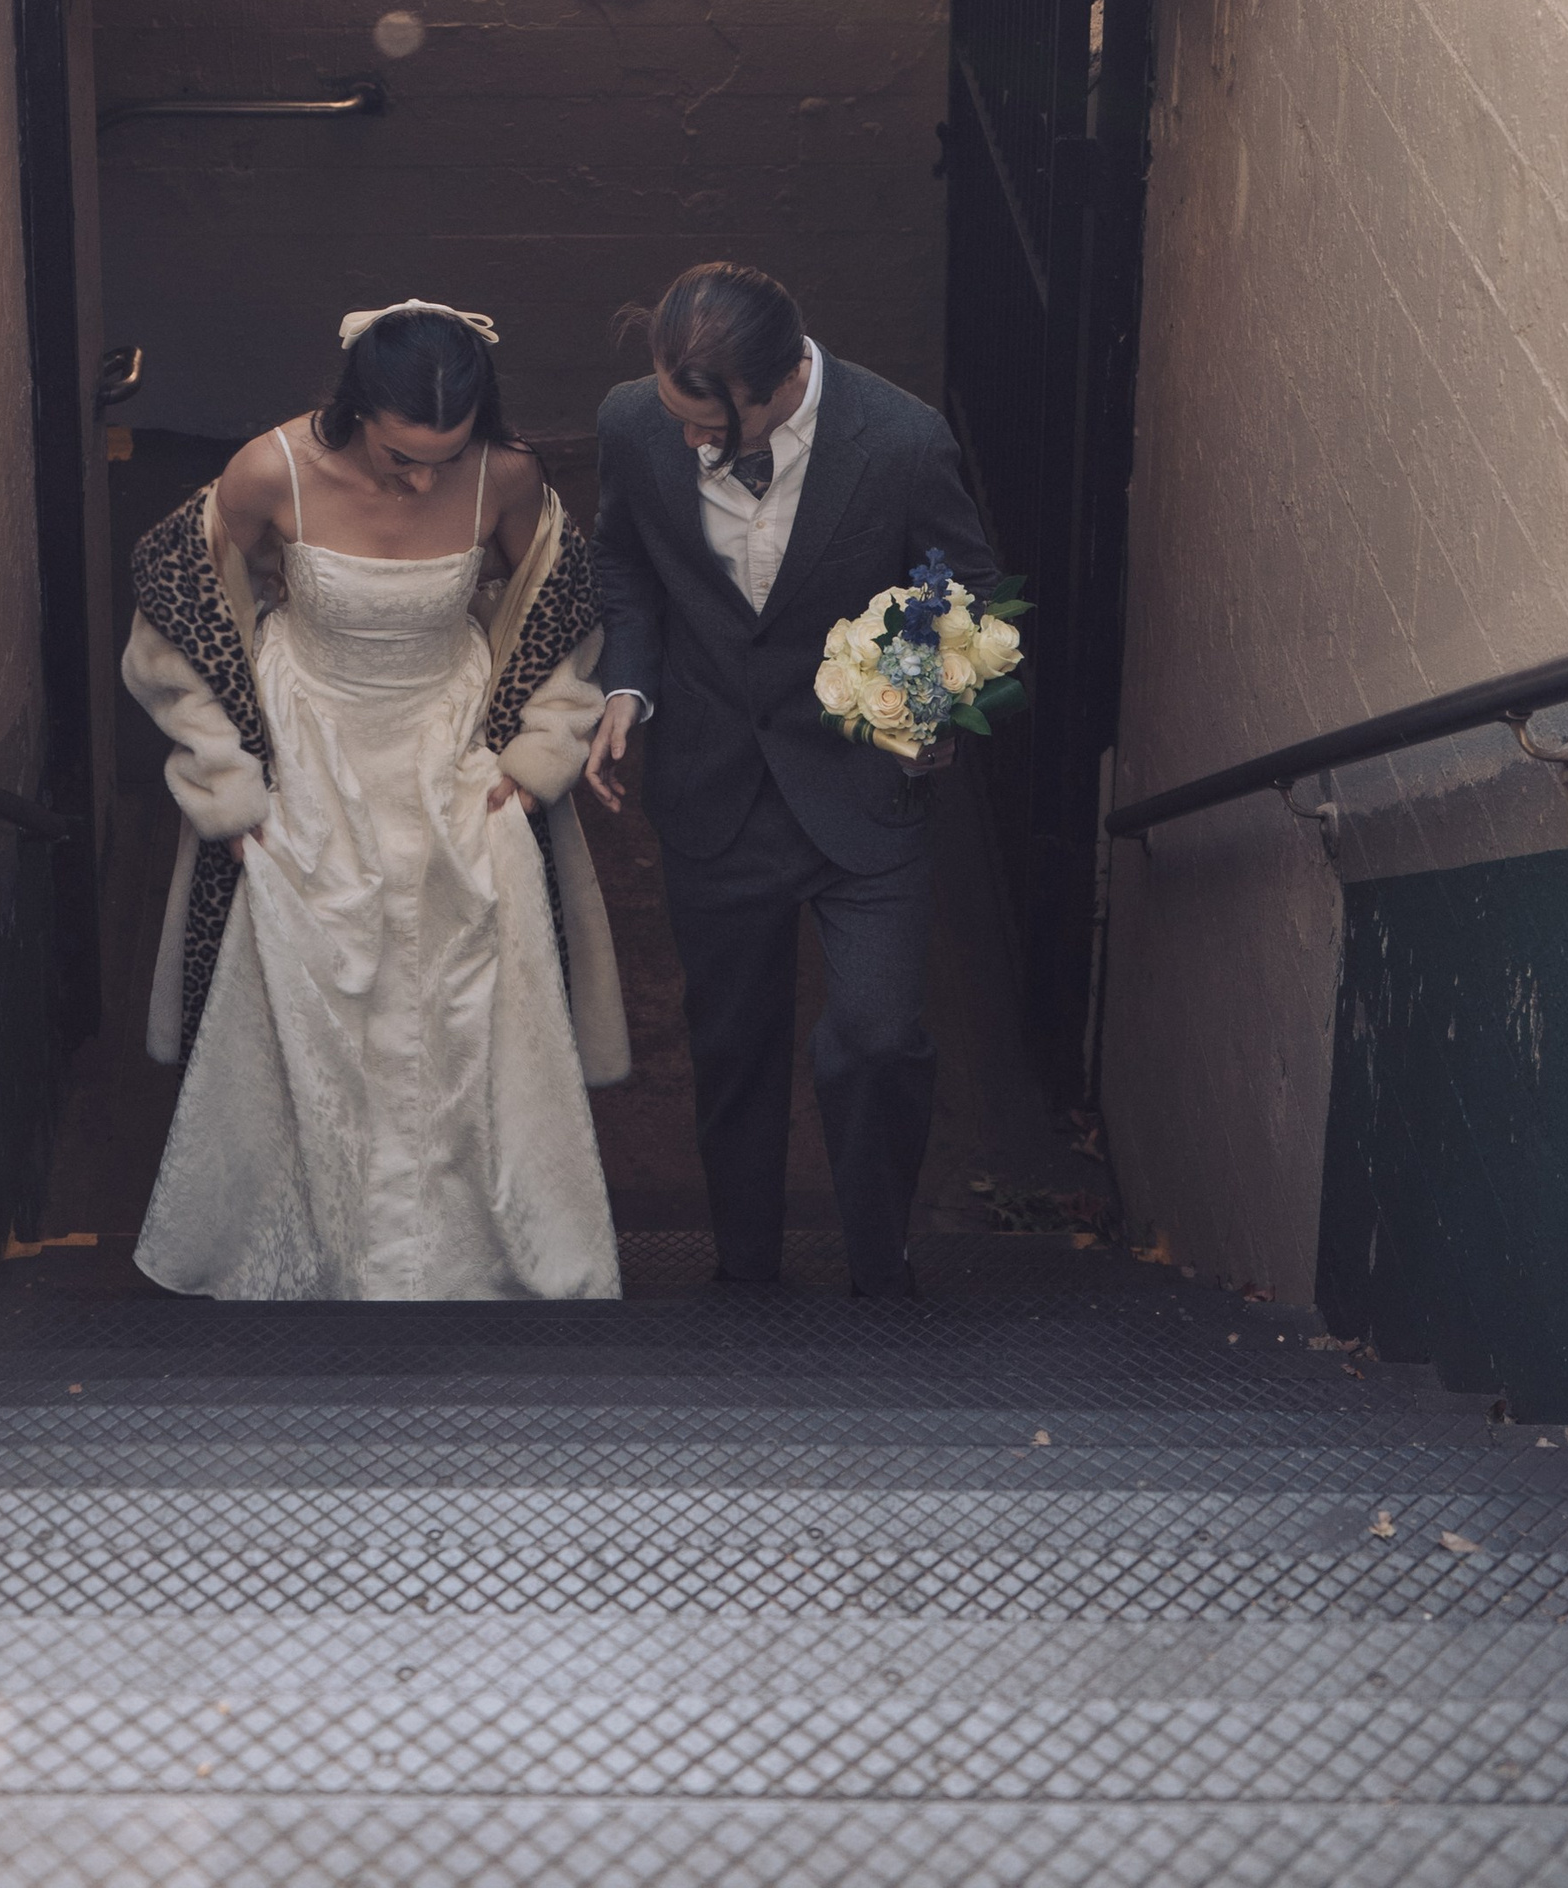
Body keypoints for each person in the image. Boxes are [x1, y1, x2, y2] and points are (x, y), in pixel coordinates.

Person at [126, 299, 626, 1300]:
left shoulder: (509, 474)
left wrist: (539, 755)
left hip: (450, 747)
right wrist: (227, 780)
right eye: (404, 454)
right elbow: (174, 616)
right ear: (356, 410)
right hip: (309, 748)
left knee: (469, 989)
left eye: (446, 456)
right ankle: (320, 1253)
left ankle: (475, 1256)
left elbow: (564, 610)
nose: (424, 478)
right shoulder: (267, 471)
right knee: (318, 994)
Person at [584, 264, 999, 1300]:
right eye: (674, 417)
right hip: (713, 786)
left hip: (861, 792)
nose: (684, 440)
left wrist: (918, 708)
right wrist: (627, 686)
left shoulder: (901, 443)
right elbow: (624, 561)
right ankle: (746, 1278)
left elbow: (969, 591)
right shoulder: (633, 423)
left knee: (875, 1036)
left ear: (774, 388)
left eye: (706, 425)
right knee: (732, 1046)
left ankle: (877, 1267)